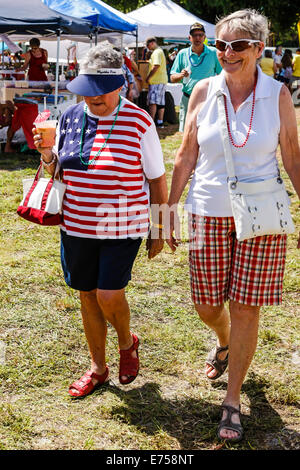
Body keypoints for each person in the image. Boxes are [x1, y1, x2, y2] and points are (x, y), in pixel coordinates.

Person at [166, 9, 300, 442]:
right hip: (206, 209)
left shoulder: (277, 94)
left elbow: (293, 159)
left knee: (246, 305)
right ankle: (223, 340)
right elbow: (185, 155)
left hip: (261, 217)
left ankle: (233, 398)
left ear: (260, 49)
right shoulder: (202, 91)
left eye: (238, 45)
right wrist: (166, 213)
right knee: (207, 303)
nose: (226, 52)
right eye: (221, 44)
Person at [33, 44, 168, 398]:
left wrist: (163, 228)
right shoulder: (69, 116)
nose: (92, 98)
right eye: (87, 90)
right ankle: (97, 368)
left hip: (122, 224)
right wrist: (47, 155)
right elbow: (58, 171)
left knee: (109, 294)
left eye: (100, 91)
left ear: (120, 85)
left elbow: (156, 178)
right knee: (88, 295)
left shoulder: (140, 121)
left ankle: (127, 343)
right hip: (76, 224)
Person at [170, 23, 222, 132]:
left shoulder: (213, 53)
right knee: (187, 133)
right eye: (194, 35)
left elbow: (223, 75)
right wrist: (181, 75)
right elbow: (172, 78)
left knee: (207, 133)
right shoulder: (182, 54)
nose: (197, 38)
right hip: (188, 99)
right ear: (189, 38)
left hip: (207, 100)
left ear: (204, 37)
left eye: (200, 35)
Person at [145, 37, 168, 128]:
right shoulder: (159, 51)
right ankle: (160, 122)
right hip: (161, 80)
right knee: (160, 102)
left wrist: (148, 77)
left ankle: (151, 123)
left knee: (153, 102)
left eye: (148, 46)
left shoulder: (157, 52)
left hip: (156, 81)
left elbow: (156, 66)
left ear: (152, 43)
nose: (148, 48)